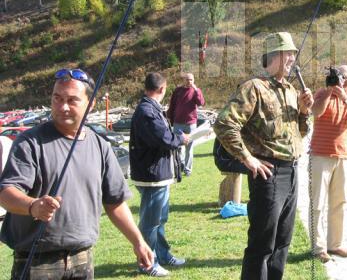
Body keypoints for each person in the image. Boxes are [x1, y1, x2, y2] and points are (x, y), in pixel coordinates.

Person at [0, 68, 154, 280]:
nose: (62, 106)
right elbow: (7, 192)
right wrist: (32, 206)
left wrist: (138, 241)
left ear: (90, 104)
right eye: (57, 98)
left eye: (72, 100)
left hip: (83, 259)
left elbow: (115, 202)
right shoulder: (30, 142)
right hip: (37, 262)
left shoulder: (100, 146)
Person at [214, 32, 314, 280]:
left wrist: (303, 112)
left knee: (282, 243)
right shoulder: (254, 88)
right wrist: (248, 158)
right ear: (277, 55)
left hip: (291, 173)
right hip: (269, 174)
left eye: (293, 53)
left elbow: (300, 133)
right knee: (262, 244)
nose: (293, 58)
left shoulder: (291, 89)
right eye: (289, 53)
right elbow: (224, 124)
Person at [129, 72, 191, 277]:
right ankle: (148, 263)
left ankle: (163, 255)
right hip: (151, 176)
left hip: (158, 174)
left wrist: (178, 137)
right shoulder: (147, 111)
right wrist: (181, 139)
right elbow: (163, 138)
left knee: (160, 219)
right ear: (163, 89)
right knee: (150, 223)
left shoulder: (150, 108)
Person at [309, 65, 347, 263]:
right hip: (320, 156)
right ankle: (318, 247)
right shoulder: (322, 93)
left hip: (343, 157)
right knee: (317, 203)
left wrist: (344, 97)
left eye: (346, 77)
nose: (342, 80)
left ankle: (335, 244)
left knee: (339, 202)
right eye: (339, 76)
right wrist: (330, 92)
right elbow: (316, 112)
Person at [167, 73, 204, 176]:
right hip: (178, 123)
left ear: (194, 80)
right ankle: (181, 164)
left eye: (191, 80)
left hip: (191, 124)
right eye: (187, 80)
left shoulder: (196, 91)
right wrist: (170, 118)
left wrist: (196, 90)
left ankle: (188, 170)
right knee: (177, 146)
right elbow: (172, 105)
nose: (189, 82)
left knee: (189, 148)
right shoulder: (178, 91)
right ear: (184, 80)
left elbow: (201, 102)